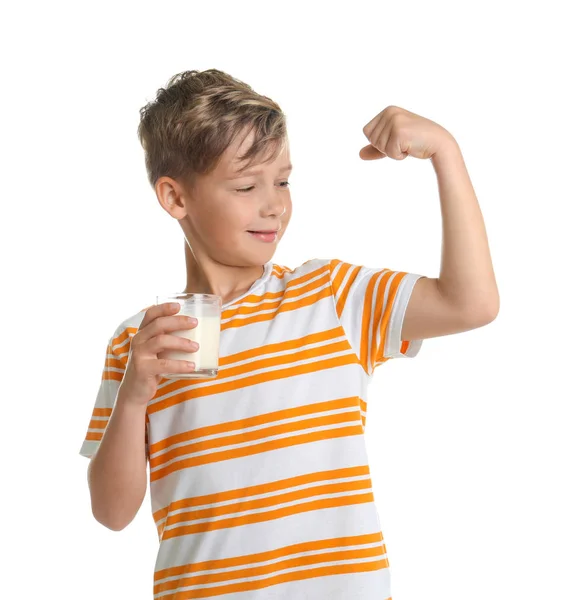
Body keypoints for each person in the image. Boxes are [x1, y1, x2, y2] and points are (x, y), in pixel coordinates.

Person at [79, 68, 499, 600]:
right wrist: (135, 396)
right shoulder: (140, 341)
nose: (274, 204)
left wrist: (446, 153)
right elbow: (111, 514)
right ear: (176, 197)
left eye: (282, 180)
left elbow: (473, 304)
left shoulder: (331, 296)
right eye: (246, 185)